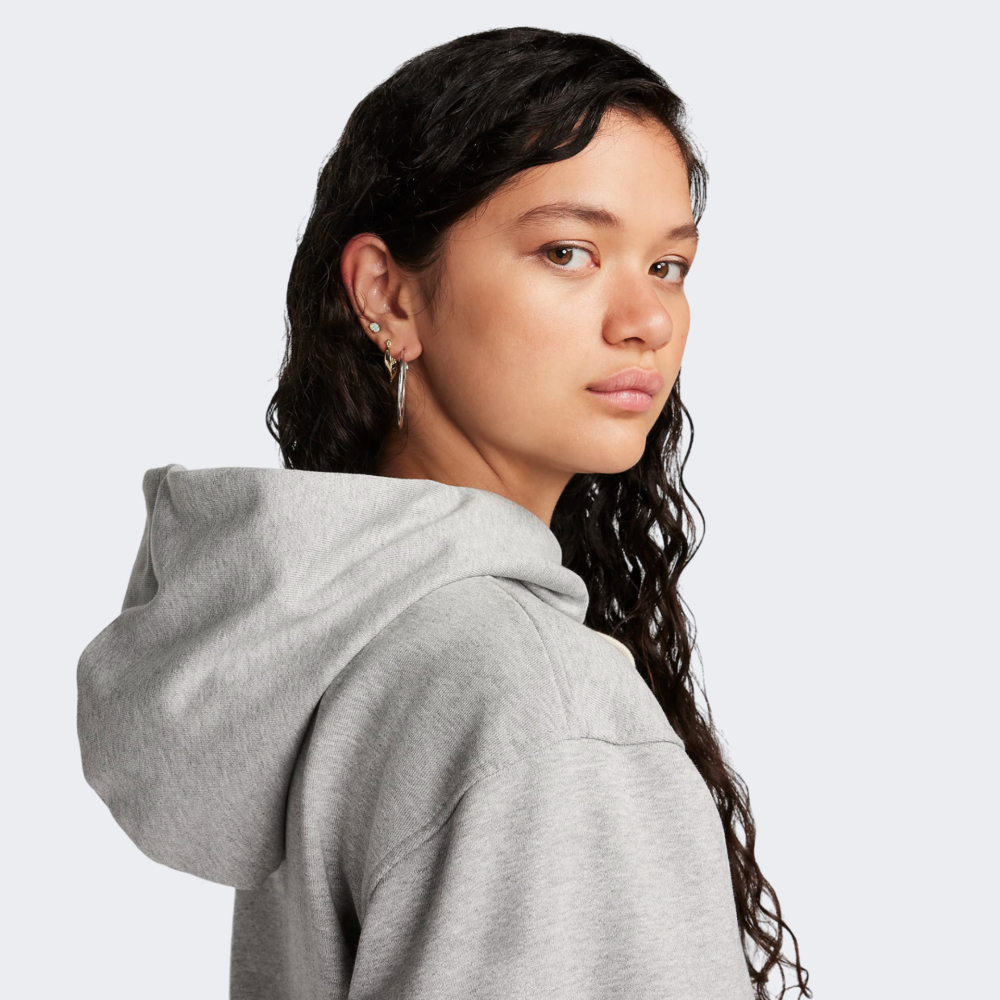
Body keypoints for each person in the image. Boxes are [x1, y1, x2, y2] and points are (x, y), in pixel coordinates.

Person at [76, 26, 811, 1000]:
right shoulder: (532, 688)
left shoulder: (344, 641)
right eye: (568, 251)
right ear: (389, 296)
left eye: (668, 266)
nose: (646, 320)